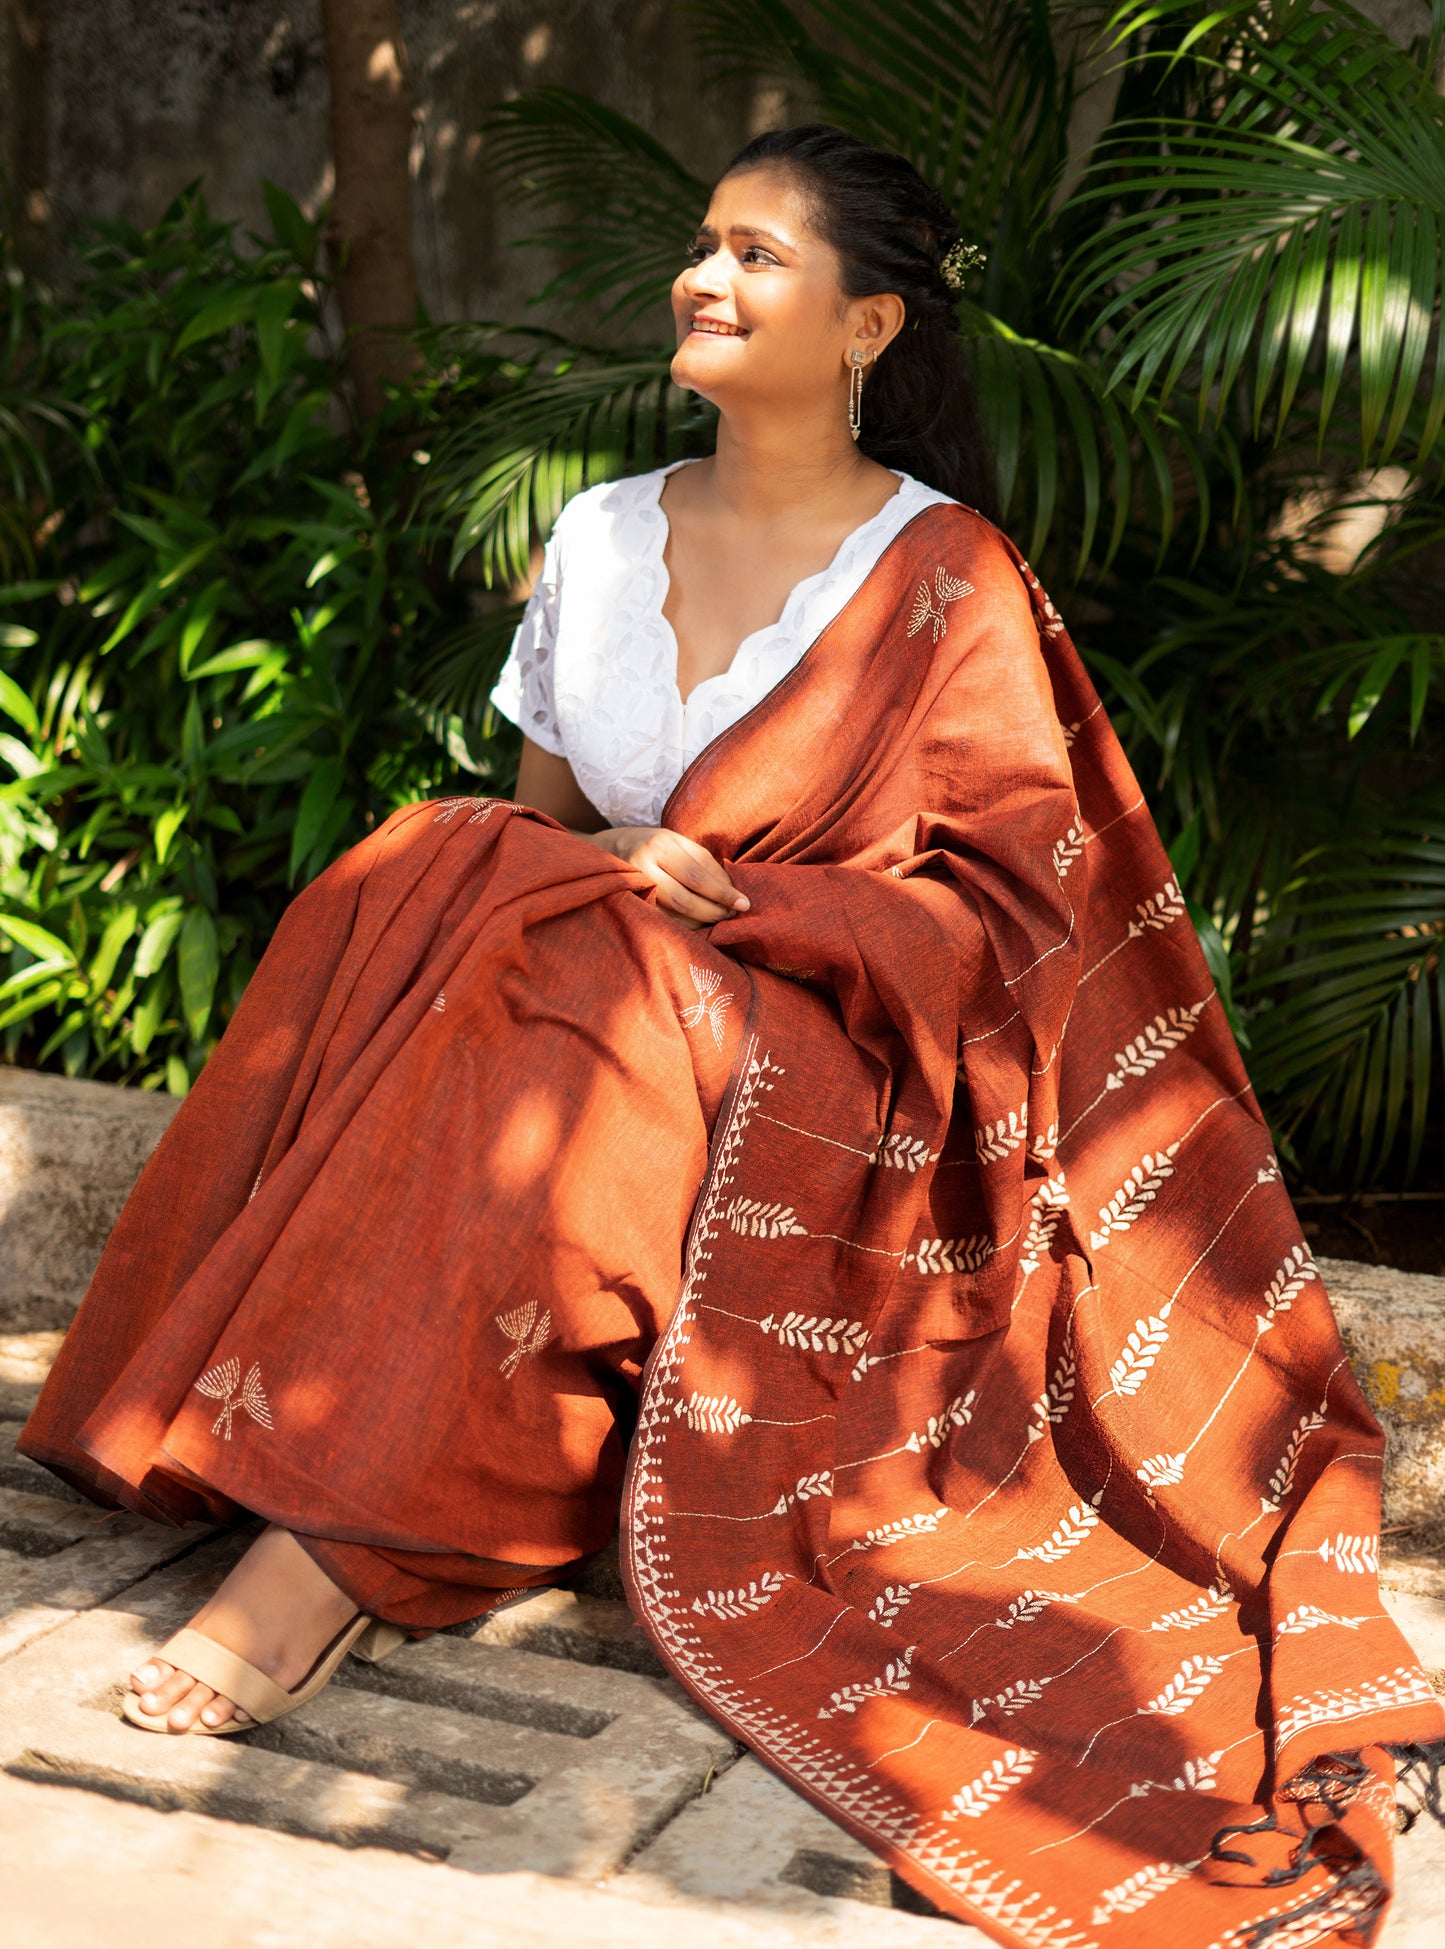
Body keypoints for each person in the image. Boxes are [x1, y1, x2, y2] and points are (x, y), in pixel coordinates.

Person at [19, 125, 1443, 1946]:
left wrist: (759, 902)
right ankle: (369, 1465)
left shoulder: (943, 577)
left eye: (758, 255)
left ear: (867, 323)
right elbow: (541, 838)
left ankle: (343, 1548)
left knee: (591, 984)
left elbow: (1013, 923)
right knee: (468, 895)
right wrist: (607, 889)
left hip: (830, 1055)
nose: (704, 275)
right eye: (704, 243)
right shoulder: (600, 533)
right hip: (598, 996)